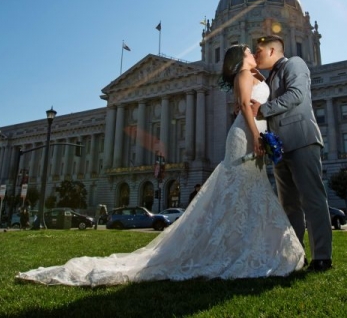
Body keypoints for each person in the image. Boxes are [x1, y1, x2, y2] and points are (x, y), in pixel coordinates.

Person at [16, 45, 304, 287]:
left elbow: (250, 102)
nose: (253, 51)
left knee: (244, 196)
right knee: (239, 194)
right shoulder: (244, 74)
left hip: (252, 138)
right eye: (247, 50)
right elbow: (243, 105)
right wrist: (257, 136)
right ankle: (236, 250)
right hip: (247, 138)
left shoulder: (256, 75)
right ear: (239, 59)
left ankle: (243, 247)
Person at [252, 34, 333, 271]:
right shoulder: (270, 77)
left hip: (301, 141)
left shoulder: (294, 63)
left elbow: (296, 95)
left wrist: (262, 109)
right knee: (289, 205)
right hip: (280, 149)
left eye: (258, 52)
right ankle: (296, 256)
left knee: (313, 199)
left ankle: (322, 256)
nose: (256, 56)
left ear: (271, 51)